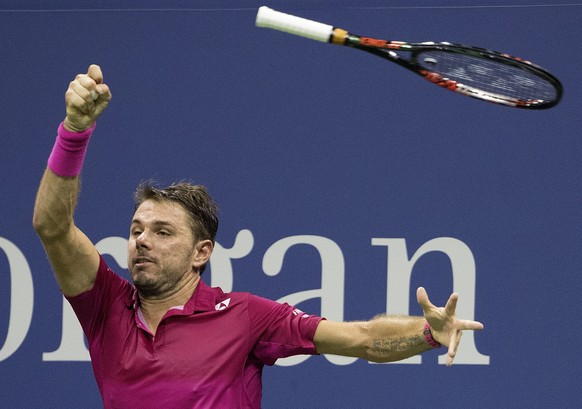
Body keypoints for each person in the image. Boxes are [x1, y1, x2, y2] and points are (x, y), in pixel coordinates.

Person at [33, 65, 484, 409]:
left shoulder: (245, 317)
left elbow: (362, 338)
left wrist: (427, 332)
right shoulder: (104, 308)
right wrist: (74, 130)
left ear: (200, 252)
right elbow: (52, 226)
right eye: (136, 231)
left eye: (162, 231)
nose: (141, 241)